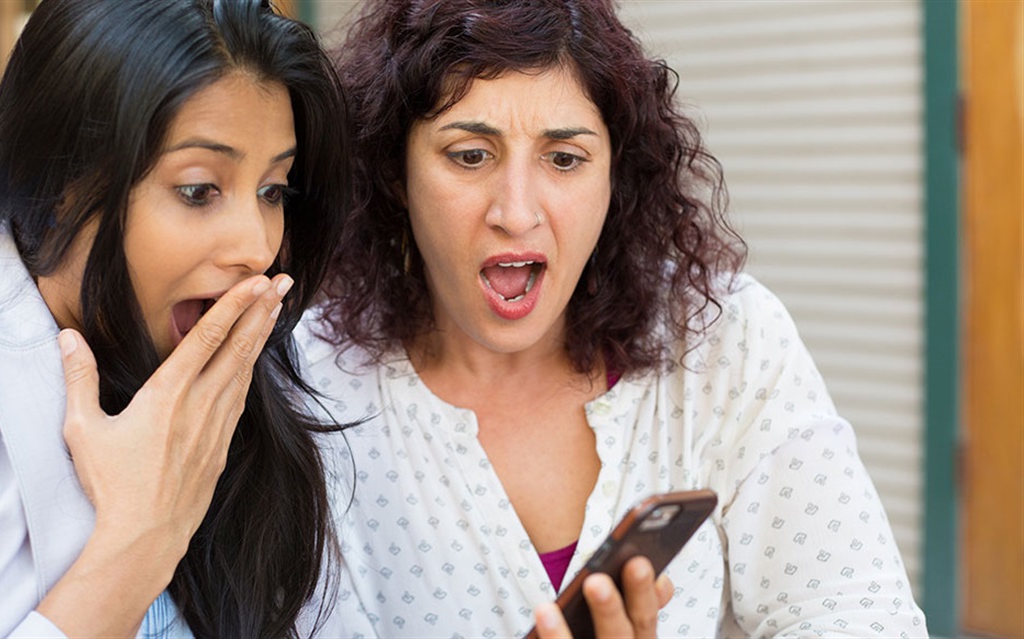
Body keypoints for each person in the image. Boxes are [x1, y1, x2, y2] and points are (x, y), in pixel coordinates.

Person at [295, 0, 929, 636]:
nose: (516, 213)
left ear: (614, 180)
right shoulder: (309, 388)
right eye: (469, 155)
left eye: (564, 159)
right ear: (394, 174)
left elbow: (861, 616)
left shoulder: (723, 341)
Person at [0, 0, 349, 636]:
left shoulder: (263, 373)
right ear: (59, 188)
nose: (256, 248)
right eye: (198, 190)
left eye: (273, 191)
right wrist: (143, 536)